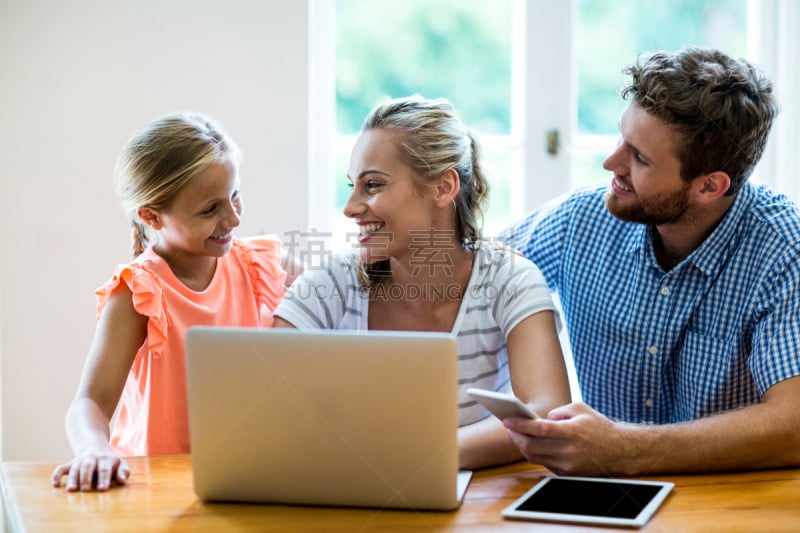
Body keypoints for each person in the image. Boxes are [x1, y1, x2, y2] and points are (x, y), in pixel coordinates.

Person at [501, 46, 800, 475]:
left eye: (639, 158)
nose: (611, 163)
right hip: (601, 499)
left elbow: (793, 426)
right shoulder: (581, 219)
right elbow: (471, 271)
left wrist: (628, 450)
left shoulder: (784, 249)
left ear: (709, 186)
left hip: (727, 506)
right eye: (622, 139)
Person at [272, 96, 571, 470]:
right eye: (353, 186)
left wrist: (426, 457)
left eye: (373, 185)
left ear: (443, 187)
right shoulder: (328, 284)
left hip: (477, 502)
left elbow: (549, 415)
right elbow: (267, 408)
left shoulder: (509, 280)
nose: (349, 207)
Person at [51, 112, 293, 492]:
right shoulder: (139, 291)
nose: (233, 218)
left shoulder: (256, 265)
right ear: (151, 215)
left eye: (235, 196)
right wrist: (93, 449)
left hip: (242, 477)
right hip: (154, 487)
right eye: (210, 209)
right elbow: (89, 404)